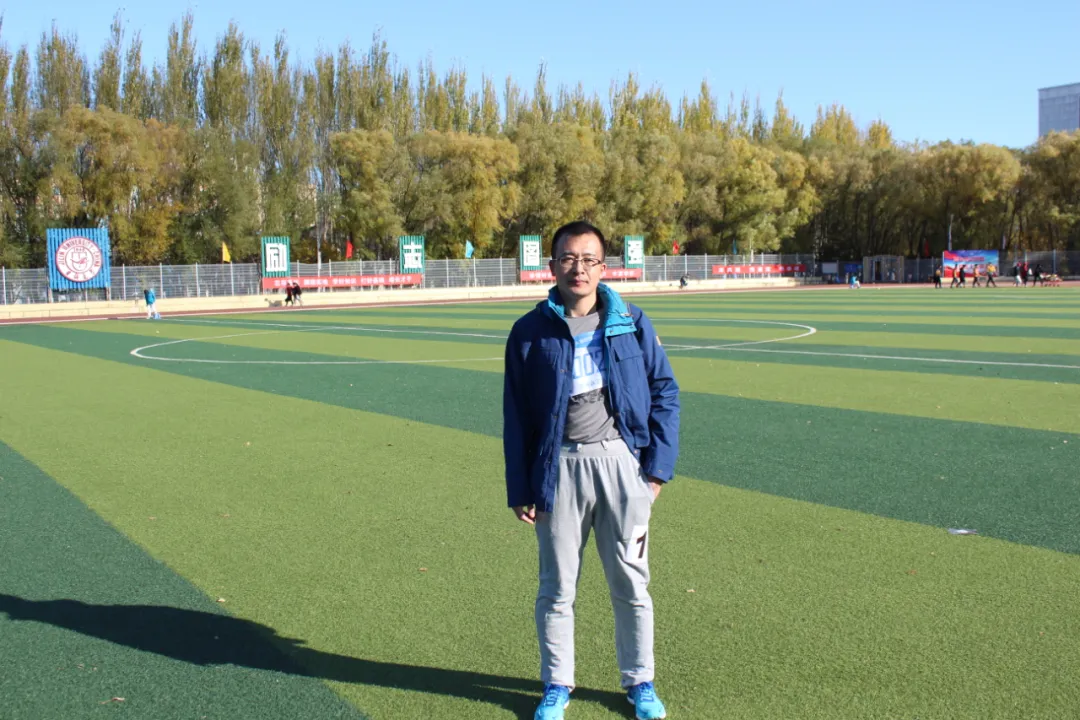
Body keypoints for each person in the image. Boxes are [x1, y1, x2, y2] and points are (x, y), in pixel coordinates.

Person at [503, 221, 679, 720]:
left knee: (631, 583)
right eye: (567, 258)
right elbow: (516, 415)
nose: (577, 268)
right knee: (557, 587)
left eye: (588, 259)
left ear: (603, 267)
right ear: (552, 265)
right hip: (558, 467)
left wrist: (656, 471)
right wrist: (521, 486)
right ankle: (557, 684)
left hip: (622, 464)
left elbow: (665, 392)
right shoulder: (529, 331)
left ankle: (640, 681)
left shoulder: (631, 321)